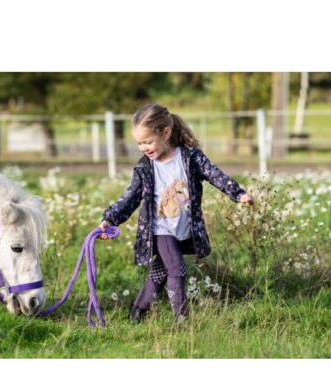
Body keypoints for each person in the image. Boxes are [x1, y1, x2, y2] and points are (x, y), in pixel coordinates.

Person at [99, 103, 254, 323]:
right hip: (160, 229)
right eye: (139, 143)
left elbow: (215, 175)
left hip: (183, 230)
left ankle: (137, 312)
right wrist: (109, 219)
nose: (143, 148)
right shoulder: (145, 168)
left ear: (165, 133)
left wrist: (238, 194)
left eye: (148, 141)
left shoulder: (190, 158)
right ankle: (181, 320)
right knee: (177, 269)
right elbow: (129, 198)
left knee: (160, 272)